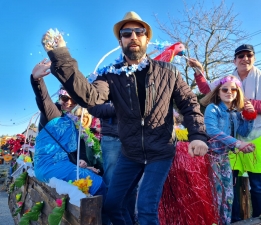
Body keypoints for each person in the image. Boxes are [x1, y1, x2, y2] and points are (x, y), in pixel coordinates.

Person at [41, 11, 208, 225]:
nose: (133, 37)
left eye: (139, 32)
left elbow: (189, 103)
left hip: (160, 152)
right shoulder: (111, 75)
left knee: (146, 209)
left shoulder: (169, 72)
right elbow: (90, 97)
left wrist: (197, 135)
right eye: (126, 33)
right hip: (130, 154)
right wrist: (61, 56)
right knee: (112, 205)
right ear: (120, 40)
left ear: (147, 38)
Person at [188, 44, 261, 220]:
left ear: (254, 58)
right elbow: (209, 90)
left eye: (249, 55)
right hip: (230, 141)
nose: (245, 59)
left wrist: (248, 105)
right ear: (234, 60)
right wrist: (199, 72)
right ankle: (234, 220)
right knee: (231, 184)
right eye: (240, 56)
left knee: (258, 183)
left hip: (256, 137)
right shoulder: (228, 79)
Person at [30, 59, 106, 196]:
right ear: (60, 97)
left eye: (73, 100)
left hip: (61, 165)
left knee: (94, 175)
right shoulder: (52, 112)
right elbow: (43, 98)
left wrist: (82, 162)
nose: (69, 103)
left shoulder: (73, 121)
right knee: (98, 184)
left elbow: (75, 148)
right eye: (65, 98)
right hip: (50, 167)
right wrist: (37, 80)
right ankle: (107, 216)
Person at [201, 75, 255, 224]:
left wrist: (250, 117)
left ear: (238, 93)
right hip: (210, 157)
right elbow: (211, 130)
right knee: (216, 194)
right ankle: (214, 221)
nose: (229, 92)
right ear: (218, 92)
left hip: (224, 157)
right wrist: (238, 144)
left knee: (228, 195)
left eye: (234, 89)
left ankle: (225, 221)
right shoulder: (213, 108)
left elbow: (244, 132)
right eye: (225, 89)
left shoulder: (236, 112)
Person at [88, 102, 137, 225]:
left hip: (133, 138)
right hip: (112, 138)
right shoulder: (104, 83)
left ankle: (130, 220)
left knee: (132, 185)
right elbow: (93, 107)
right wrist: (122, 105)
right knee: (110, 183)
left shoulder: (135, 83)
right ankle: (109, 221)